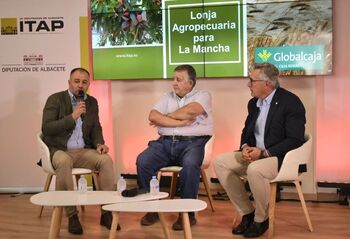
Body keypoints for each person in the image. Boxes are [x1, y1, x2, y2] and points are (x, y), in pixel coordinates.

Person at [214, 63, 306, 238]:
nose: (248, 84)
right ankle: (247, 213)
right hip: (256, 155)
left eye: (252, 81)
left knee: (255, 169)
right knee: (220, 162)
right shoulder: (253, 103)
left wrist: (263, 153)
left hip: (280, 158)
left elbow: (295, 140)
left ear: (267, 84)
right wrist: (245, 147)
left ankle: (261, 219)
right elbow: (246, 131)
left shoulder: (290, 102)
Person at [136, 64, 213, 230]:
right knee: (143, 161)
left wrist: (165, 117)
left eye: (179, 79)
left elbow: (192, 110)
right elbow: (152, 116)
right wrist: (180, 121)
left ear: (190, 83)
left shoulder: (203, 95)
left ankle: (187, 213)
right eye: (174, 79)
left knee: (191, 165)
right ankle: (152, 209)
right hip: (164, 143)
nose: (174, 83)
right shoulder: (166, 97)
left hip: (192, 143)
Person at [41, 67, 117, 235]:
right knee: (64, 161)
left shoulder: (92, 102)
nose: (80, 86)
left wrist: (99, 144)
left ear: (88, 84)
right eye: (76, 82)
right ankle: (71, 215)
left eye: (84, 82)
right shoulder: (55, 99)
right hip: (60, 149)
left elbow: (96, 127)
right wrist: (72, 117)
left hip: (83, 151)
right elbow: (47, 128)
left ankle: (106, 211)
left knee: (106, 160)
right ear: (69, 83)